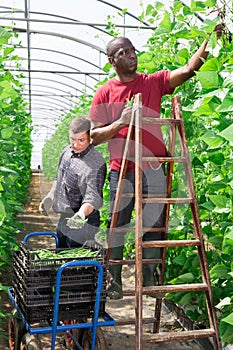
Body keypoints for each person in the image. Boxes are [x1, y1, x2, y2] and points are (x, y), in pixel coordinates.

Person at [89, 28, 222, 299]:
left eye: (132, 50)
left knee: (154, 224)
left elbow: (187, 69)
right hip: (122, 170)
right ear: (112, 61)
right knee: (118, 224)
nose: (131, 56)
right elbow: (93, 136)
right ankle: (114, 279)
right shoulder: (104, 93)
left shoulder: (152, 83)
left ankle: (148, 277)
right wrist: (121, 123)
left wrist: (212, 40)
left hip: (153, 169)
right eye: (123, 53)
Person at [39, 117, 106, 248]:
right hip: (65, 216)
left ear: (90, 138)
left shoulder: (96, 163)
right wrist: (50, 197)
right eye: (73, 139)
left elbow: (92, 197)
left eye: (81, 140)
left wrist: (80, 215)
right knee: (62, 254)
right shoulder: (66, 152)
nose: (75, 145)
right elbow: (59, 179)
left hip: (84, 220)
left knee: (77, 262)